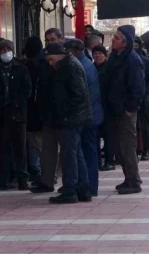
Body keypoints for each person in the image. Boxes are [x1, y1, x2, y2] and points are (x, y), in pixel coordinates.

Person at [44, 43, 92, 204]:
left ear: (59, 55)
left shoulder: (69, 67)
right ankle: (83, 188)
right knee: (75, 152)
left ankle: (70, 189)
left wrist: (63, 112)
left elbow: (79, 95)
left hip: (71, 119)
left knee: (69, 154)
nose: (50, 63)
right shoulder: (66, 65)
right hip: (72, 118)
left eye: (51, 59)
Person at [102, 25, 145, 194]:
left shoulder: (132, 60)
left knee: (127, 146)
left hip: (126, 110)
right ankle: (128, 178)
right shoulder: (114, 57)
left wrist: (130, 109)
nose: (113, 40)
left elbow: (138, 88)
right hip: (114, 109)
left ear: (125, 43)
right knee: (119, 147)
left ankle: (134, 180)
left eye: (117, 38)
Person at [64, 39, 103, 196]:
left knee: (87, 152)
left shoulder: (80, 66)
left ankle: (89, 186)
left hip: (87, 117)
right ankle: (87, 185)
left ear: (75, 51)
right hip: (91, 115)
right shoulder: (85, 63)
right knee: (88, 152)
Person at [0, 40, 32, 191]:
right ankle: (3, 180)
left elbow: (27, 89)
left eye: (7, 50)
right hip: (2, 114)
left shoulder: (21, 68)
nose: (5, 53)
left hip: (18, 114)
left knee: (20, 148)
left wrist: (17, 102)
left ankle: (22, 178)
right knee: (1, 148)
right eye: (2, 50)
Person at [31, 29, 63, 193]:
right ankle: (47, 180)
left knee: (66, 150)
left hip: (62, 113)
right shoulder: (43, 61)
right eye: (47, 40)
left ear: (60, 39)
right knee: (47, 149)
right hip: (47, 111)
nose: (50, 43)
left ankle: (70, 183)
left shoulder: (66, 62)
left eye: (53, 39)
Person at [21, 36, 44, 183]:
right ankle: (39, 170)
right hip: (36, 112)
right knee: (36, 143)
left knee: (37, 143)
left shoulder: (33, 66)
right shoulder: (42, 63)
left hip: (35, 112)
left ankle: (42, 171)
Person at [134, 36, 149, 161]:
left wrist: (147, 92)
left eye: (136, 44)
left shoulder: (145, 61)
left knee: (143, 125)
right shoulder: (124, 60)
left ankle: (145, 149)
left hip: (143, 99)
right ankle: (135, 150)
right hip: (130, 99)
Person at [92, 45, 114, 171]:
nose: (97, 56)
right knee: (95, 135)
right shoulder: (91, 68)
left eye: (100, 53)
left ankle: (110, 160)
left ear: (105, 55)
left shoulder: (109, 68)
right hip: (95, 106)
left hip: (107, 106)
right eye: (95, 54)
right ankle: (97, 160)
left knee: (108, 135)